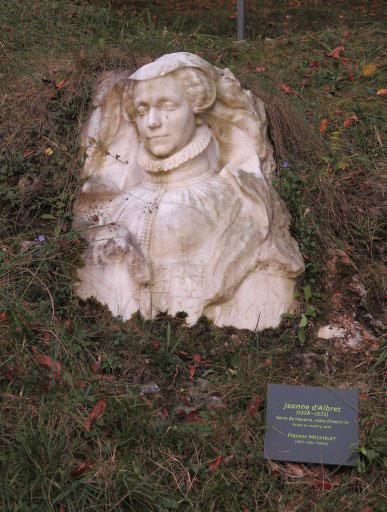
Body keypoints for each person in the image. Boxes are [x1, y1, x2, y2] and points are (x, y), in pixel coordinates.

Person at [74, 53, 304, 330]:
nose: (152, 122)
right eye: (142, 110)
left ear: (197, 109)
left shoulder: (240, 199)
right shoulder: (118, 207)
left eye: (167, 105)